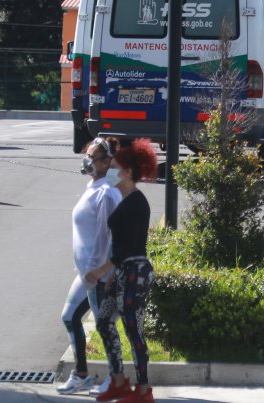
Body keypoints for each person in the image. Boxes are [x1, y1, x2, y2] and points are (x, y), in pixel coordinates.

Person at [85, 139, 158, 403]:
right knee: (104, 321)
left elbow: (129, 247)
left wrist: (103, 270)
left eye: (115, 167)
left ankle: (143, 390)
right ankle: (119, 381)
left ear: (127, 172)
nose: (110, 171)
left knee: (133, 330)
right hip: (124, 273)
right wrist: (113, 275)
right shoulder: (126, 200)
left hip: (134, 273)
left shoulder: (137, 202)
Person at [56, 137, 123, 396]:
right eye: (87, 155)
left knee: (104, 326)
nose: (87, 161)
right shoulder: (95, 186)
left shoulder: (106, 193)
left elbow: (108, 238)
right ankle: (81, 374)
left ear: (107, 163)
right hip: (86, 274)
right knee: (70, 317)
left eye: (93, 157)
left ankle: (115, 379)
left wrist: (102, 272)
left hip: (98, 274)